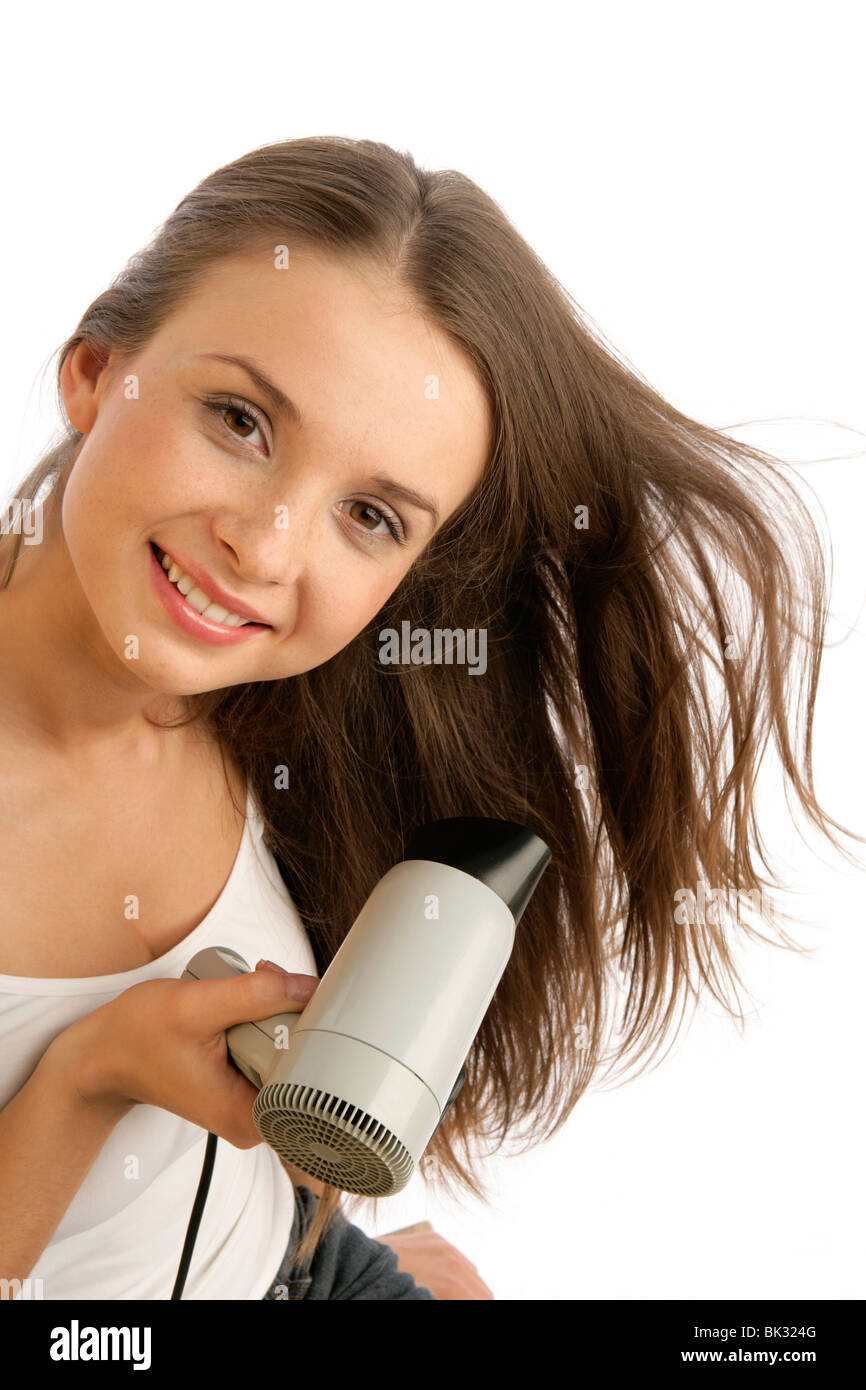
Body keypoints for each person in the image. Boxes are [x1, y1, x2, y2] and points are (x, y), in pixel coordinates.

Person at [0, 136, 856, 1301]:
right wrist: (87, 1076)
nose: (264, 550)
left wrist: (328, 1251)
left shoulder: (289, 717)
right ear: (98, 369)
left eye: (368, 515)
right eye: (241, 421)